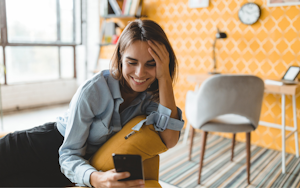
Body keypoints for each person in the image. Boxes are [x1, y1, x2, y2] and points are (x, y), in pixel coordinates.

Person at [0, 19, 184, 187]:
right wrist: (97, 178)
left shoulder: (151, 95)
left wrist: (164, 78)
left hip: (62, 173)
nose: (140, 73)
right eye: (132, 62)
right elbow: (68, 154)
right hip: (37, 148)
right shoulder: (95, 90)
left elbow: (170, 140)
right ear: (120, 58)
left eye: (151, 64)